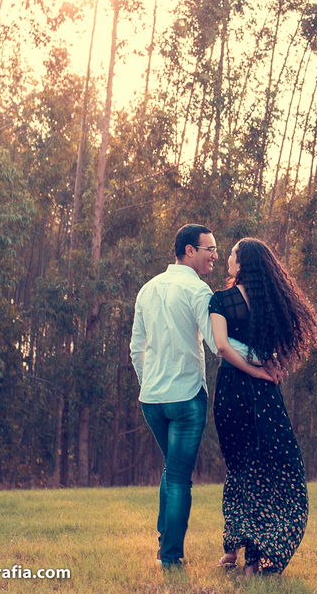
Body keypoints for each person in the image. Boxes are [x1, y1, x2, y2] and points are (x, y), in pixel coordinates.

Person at [208, 237, 317, 577]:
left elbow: (222, 347)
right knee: (272, 468)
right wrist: (262, 369)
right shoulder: (271, 303)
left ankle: (234, 548)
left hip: (230, 391)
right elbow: (269, 350)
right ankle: (255, 557)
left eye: (231, 254)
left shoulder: (221, 300)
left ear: (242, 263)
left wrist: (255, 368)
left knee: (240, 466)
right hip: (263, 394)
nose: (227, 258)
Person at [129, 224, 219, 568]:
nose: (214, 255)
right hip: (185, 398)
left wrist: (147, 382)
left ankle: (164, 541)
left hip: (151, 399)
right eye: (209, 248)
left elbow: (137, 347)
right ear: (189, 251)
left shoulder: (147, 289)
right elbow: (216, 343)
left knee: (173, 469)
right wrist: (257, 357)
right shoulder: (198, 290)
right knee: (180, 476)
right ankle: (170, 557)